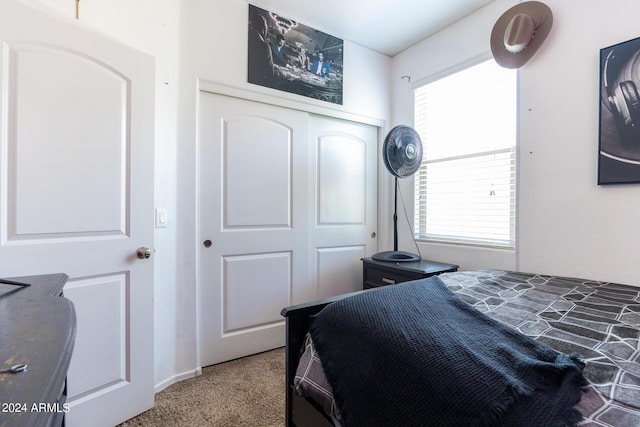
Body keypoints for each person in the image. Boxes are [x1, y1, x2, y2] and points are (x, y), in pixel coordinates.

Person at [248, 14, 279, 85]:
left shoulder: (245, 37)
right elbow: (270, 72)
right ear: (263, 29)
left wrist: (274, 65)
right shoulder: (264, 46)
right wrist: (285, 74)